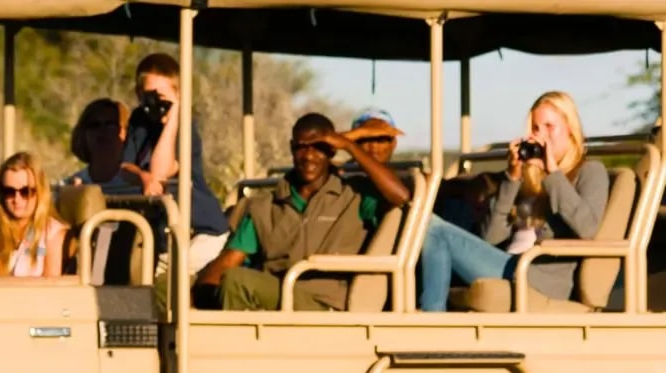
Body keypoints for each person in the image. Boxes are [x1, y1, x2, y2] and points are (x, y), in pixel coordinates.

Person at [194, 112, 410, 311]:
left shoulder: (354, 196)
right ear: (291, 148)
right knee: (173, 287)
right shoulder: (266, 205)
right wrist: (198, 292)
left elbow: (400, 196)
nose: (308, 156)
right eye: (301, 147)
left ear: (332, 150)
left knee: (238, 282)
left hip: (324, 302)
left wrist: (350, 146)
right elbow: (230, 259)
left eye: (318, 147)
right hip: (278, 294)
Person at [418, 90, 609, 312]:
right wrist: (513, 177)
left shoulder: (590, 171)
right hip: (511, 264)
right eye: (536, 128)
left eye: (550, 127)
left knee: (432, 228)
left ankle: (432, 319)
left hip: (539, 276)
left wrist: (553, 173)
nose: (542, 136)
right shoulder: (531, 177)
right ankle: (427, 314)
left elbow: (587, 227)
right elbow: (491, 238)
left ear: (570, 129)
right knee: (425, 222)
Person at [119, 52, 231, 278]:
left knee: (167, 289)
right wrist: (142, 176)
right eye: (148, 97)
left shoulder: (185, 128)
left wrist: (173, 117)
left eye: (162, 98)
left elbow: (162, 172)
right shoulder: (139, 121)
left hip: (200, 232)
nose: (155, 104)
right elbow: (124, 167)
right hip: (165, 234)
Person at [0, 152, 68, 278]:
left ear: (40, 191)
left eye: (25, 192)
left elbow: (52, 289)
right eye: (9, 191)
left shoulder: (52, 235)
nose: (17, 199)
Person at [66, 98, 131, 188]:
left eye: (110, 124)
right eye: (95, 125)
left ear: (125, 132)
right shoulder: (71, 186)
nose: (102, 130)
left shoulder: (140, 184)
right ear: (83, 134)